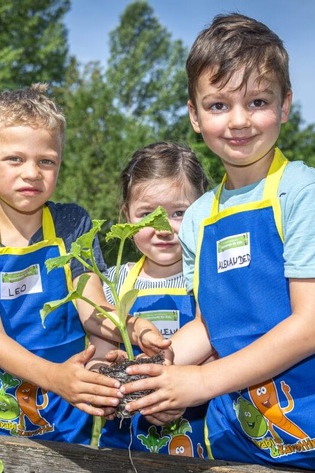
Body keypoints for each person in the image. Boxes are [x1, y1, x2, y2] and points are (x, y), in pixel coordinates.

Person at [120, 13, 315, 472]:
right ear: (194, 115)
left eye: (258, 101)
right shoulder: (200, 217)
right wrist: (157, 376)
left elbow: (310, 328)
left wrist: (200, 384)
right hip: (239, 437)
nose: (239, 120)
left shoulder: (303, 192)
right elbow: (209, 327)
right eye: (219, 105)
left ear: (285, 105)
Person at [0, 84, 168, 443]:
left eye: (45, 161)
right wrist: (56, 379)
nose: (32, 172)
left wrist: (136, 326)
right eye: (15, 159)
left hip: (66, 417)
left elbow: (92, 309)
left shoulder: (72, 223)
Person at [93, 142, 211, 457]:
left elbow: (223, 356)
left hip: (200, 441)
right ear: (126, 217)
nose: (163, 228)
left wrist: (184, 391)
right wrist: (102, 381)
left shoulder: (209, 277)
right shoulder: (114, 280)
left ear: (204, 210)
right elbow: (100, 352)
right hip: (123, 447)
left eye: (179, 213)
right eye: (147, 214)